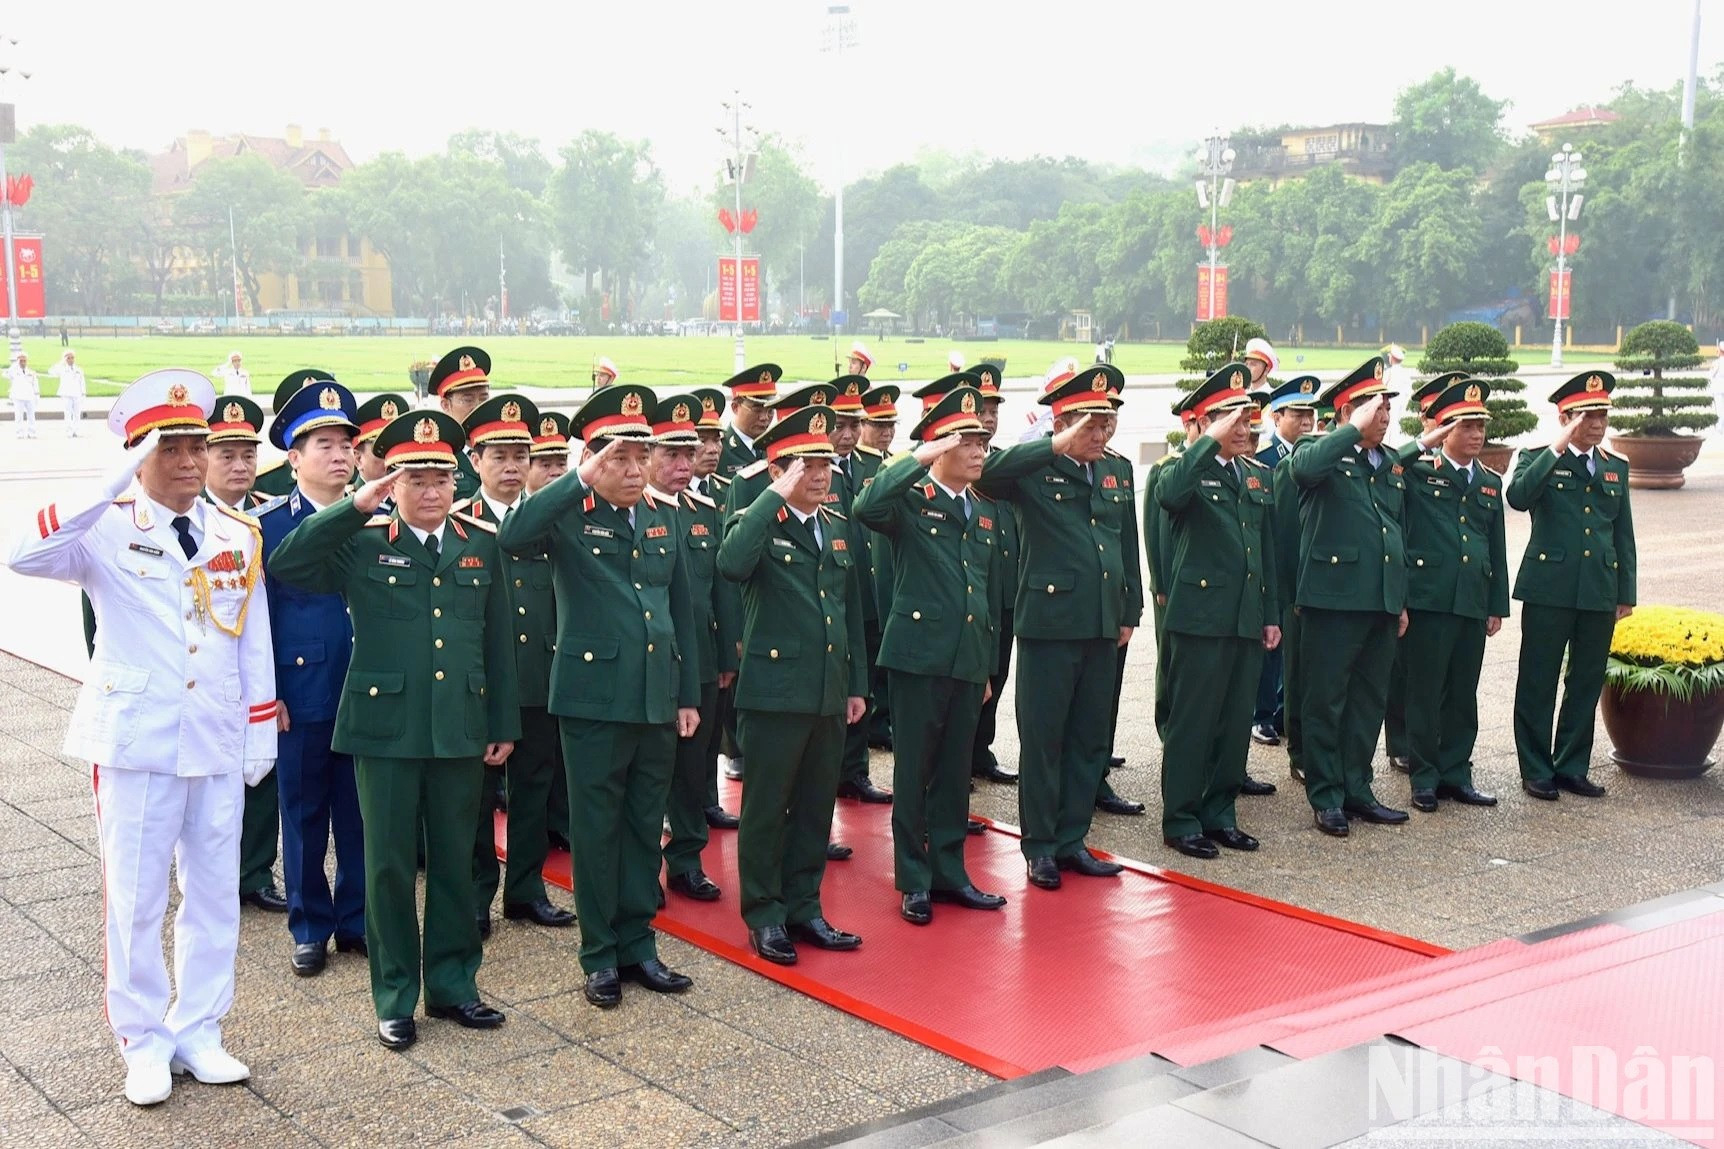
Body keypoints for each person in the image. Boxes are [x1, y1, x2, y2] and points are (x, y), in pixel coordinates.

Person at [4, 369, 276, 1106]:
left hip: (215, 736)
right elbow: (23, 554)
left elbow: (252, 636)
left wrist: (260, 733)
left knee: (215, 894)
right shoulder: (106, 526)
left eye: (199, 448)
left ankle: (199, 1028)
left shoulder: (236, 531)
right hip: (137, 740)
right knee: (135, 897)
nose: (191, 463)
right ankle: (142, 1039)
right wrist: (105, 483)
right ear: (138, 455)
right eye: (172, 450)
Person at [268, 409, 520, 1052]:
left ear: (456, 481)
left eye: (441, 477)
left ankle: (455, 985)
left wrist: (502, 722)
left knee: (459, 864)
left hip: (460, 728)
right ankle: (395, 996)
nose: (430, 491)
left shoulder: (480, 542)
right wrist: (354, 507)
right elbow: (289, 563)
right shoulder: (364, 539)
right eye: (415, 478)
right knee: (386, 868)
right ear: (392, 480)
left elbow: (496, 642)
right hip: (384, 730)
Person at [497, 384, 702, 1008]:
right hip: (592, 699)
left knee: (645, 825)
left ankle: (640, 944)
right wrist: (575, 478)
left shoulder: (666, 517)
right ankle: (599, 955)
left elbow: (681, 612)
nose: (635, 470)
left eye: (642, 457)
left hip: (655, 697)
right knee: (595, 828)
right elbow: (513, 536)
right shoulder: (567, 515)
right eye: (620, 458)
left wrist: (685, 693)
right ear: (593, 460)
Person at [975, 363, 1143, 889]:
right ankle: (1041, 845)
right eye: (1090, 425)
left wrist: (1129, 609)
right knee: (1044, 739)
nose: (1101, 434)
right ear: (1064, 422)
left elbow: (1125, 543)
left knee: (1090, 737)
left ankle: (1073, 839)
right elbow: (988, 473)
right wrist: (1056, 443)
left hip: (1100, 623)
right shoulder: (1033, 468)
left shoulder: (1115, 469)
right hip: (1050, 624)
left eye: (1106, 423)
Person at [718, 404, 868, 965]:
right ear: (780, 470)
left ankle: (806, 907)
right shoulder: (756, 521)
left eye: (826, 464)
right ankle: (765, 914)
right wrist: (772, 495)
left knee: (813, 807)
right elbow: (731, 565)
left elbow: (850, 610)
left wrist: (856, 685)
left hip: (826, 690)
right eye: (807, 466)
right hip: (775, 693)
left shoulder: (835, 527)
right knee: (766, 808)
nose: (821, 476)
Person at [854, 382, 1007, 924]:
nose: (979, 451)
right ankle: (913, 878)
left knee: (952, 770)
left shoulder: (984, 512)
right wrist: (915, 457)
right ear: (940, 448)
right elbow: (867, 504)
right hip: (918, 657)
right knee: (915, 770)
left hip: (966, 658)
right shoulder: (911, 504)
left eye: (982, 442)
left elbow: (983, 593)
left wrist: (986, 666)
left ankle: (949, 871)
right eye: (966, 442)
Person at [455, 395, 577, 935]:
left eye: (519, 456)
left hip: (539, 675)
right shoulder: (459, 521)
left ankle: (525, 888)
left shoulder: (548, 520)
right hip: (483, 681)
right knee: (478, 798)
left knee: (535, 786)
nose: (511, 466)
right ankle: (478, 894)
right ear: (474, 460)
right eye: (498, 455)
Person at [258, 380, 369, 975]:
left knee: (361, 816)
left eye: (345, 442)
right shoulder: (265, 526)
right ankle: (309, 925)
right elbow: (255, 623)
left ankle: (355, 920)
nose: (337, 453)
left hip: (368, 691)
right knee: (302, 814)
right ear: (293, 458)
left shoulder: (375, 518)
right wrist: (266, 694)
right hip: (299, 694)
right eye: (321, 443)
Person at [1155, 364, 1280, 859]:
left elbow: (1265, 550)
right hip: (1201, 618)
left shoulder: (1255, 476)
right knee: (1194, 720)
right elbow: (1170, 496)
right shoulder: (1184, 469)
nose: (1244, 429)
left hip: (1245, 617)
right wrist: (1207, 442)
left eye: (1247, 420)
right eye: (1232, 421)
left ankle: (1220, 813)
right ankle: (1182, 818)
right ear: (1207, 425)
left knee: (1232, 723)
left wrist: (1270, 613)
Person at [1292, 357, 1411, 837]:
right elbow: (1303, 470)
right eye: (1372, 406)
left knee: (1367, 700)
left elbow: (1395, 530)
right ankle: (1326, 795)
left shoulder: (1389, 464)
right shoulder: (1320, 450)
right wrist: (1349, 431)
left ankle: (1357, 788)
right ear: (1346, 412)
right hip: (1333, 599)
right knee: (1327, 700)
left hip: (1380, 600)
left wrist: (1399, 598)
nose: (1383, 414)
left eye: (1386, 407)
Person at [1508, 371, 1636, 800]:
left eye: (1602, 414)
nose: (1598, 423)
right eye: (1588, 415)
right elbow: (1519, 496)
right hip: (1550, 586)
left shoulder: (1615, 467)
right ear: (1566, 417)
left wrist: (1625, 592)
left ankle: (1571, 764)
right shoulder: (1538, 458)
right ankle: (1535, 767)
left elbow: (1623, 535)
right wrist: (1558, 445)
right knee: (1539, 679)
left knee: (1585, 681)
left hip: (1597, 587)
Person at [1398, 378, 1507, 813]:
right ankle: (1424, 777)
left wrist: (1496, 604)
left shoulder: (1489, 481)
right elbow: (1389, 467)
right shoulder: (1419, 472)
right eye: (1466, 426)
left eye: (1481, 426)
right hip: (1430, 597)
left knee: (1463, 691)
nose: (1477, 434)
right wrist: (1423, 442)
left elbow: (1495, 544)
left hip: (1471, 598)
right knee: (1425, 692)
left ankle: (1456, 773)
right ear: (1445, 431)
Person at [647, 392, 740, 902]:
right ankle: (643, 870)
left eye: (689, 454)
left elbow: (720, 590)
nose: (684, 465)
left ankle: (686, 859)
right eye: (671, 455)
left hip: (700, 662)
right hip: (651, 666)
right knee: (650, 774)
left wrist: (727, 657)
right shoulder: (635, 512)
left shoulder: (704, 511)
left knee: (693, 770)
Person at [1385, 373, 1463, 774]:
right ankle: (1400, 741)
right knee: (1404, 672)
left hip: (1447, 584)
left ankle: (1430, 745)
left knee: (1438, 678)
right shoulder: (1411, 462)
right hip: (1413, 577)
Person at [827, 375, 892, 804]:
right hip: (831, 592)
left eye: (854, 424)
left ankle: (855, 770)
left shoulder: (872, 465)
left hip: (867, 592)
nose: (848, 434)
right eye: (839, 425)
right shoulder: (809, 467)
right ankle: (827, 773)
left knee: (861, 686)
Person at [1250, 375, 1318, 748]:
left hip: (1308, 564)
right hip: (1275, 563)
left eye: (1310, 413)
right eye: (1297, 413)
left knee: (1299, 648)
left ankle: (1285, 711)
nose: (1306, 421)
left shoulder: (1319, 458)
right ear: (1276, 417)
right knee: (1271, 646)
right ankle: (1262, 716)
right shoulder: (1264, 461)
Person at [683, 391, 739, 831]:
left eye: (717, 438)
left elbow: (723, 582)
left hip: (707, 639)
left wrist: (727, 651)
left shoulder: (717, 497)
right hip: (671, 649)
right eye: (702, 438)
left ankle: (706, 799)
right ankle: (678, 813)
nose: (713, 447)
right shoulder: (651, 501)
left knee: (708, 732)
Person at [965, 365, 1021, 786]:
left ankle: (981, 749)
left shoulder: (1000, 464)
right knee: (971, 677)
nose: (989, 416)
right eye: (982, 408)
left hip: (1005, 591)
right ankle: (960, 756)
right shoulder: (959, 466)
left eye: (994, 408)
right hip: (974, 594)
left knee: (997, 674)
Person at [525, 408, 574, 849]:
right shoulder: (471, 517)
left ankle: (529, 882)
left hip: (559, 662)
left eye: (562, 463)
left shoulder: (573, 517)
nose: (556, 472)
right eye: (545, 463)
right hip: (510, 670)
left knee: (549, 768)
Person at [255, 370, 341, 498]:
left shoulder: (350, 476)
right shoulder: (267, 483)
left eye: (345, 445)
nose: (338, 456)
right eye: (325, 446)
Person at [429, 346, 493, 501]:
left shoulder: (500, 449)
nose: (478, 406)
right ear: (446, 405)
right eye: (468, 399)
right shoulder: (438, 456)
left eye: (483, 398)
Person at [50, 350, 86, 436]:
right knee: (68, 413)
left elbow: (82, 382)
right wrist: (61, 362)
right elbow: (51, 371)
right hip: (66, 394)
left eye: (72, 358)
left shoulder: (79, 369)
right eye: (68, 358)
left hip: (77, 393)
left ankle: (76, 430)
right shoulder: (62, 369)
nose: (71, 360)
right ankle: (69, 431)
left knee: (77, 414)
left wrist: (83, 393)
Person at [9, 351, 38, 438]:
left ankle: (31, 432)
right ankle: (19, 432)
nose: (23, 363)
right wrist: (15, 364)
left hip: (29, 396)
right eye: (21, 361)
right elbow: (7, 373)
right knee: (18, 416)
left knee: (31, 415)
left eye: (24, 360)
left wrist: (37, 396)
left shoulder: (31, 372)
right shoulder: (14, 372)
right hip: (18, 397)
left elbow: (35, 385)